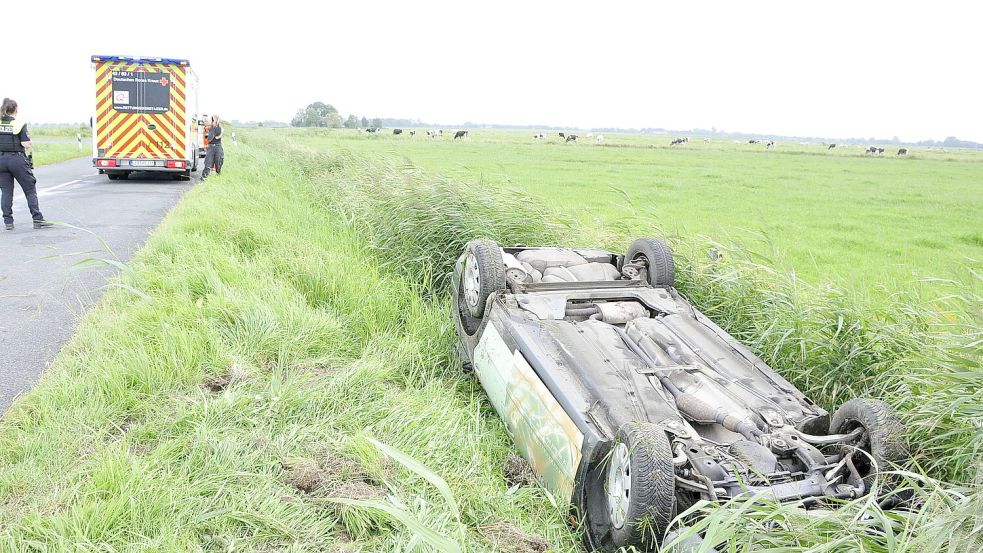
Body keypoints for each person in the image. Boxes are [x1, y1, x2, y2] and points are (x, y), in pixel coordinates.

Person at [0, 98, 51, 230]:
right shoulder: (19, 124)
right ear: (15, 109)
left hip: (1, 160)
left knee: (6, 191)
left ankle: (8, 222)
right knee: (29, 188)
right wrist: (29, 142)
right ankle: (37, 219)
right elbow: (25, 143)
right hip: (16, 159)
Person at [201, 115, 224, 179]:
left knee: (217, 162)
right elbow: (207, 138)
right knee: (209, 162)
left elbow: (209, 139)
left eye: (212, 120)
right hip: (212, 146)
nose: (207, 126)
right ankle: (205, 177)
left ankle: (215, 176)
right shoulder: (210, 128)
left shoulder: (216, 128)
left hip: (216, 146)